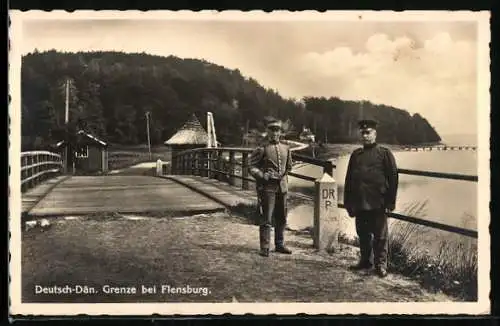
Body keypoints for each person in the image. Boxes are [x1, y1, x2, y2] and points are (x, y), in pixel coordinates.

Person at [343, 119, 399, 277]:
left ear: (375, 134)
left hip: (378, 202)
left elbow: (393, 178)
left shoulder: (384, 153)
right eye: (363, 133)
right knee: (363, 233)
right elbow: (349, 180)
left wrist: (390, 201)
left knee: (380, 236)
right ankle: (365, 261)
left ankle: (380, 265)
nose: (365, 135)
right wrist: (348, 203)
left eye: (368, 132)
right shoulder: (356, 155)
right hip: (360, 202)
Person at [248, 118, 293, 257]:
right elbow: (251, 166)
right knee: (267, 217)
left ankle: (279, 244)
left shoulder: (286, 148)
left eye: (277, 130)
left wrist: (283, 176)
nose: (275, 133)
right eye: (272, 130)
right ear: (267, 132)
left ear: (280, 132)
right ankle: (265, 247)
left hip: (282, 187)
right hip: (268, 188)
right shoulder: (262, 148)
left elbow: (289, 167)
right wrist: (262, 175)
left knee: (282, 217)